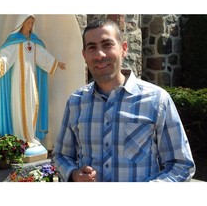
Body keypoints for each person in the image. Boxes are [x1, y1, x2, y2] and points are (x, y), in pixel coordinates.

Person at [52, 18, 195, 182]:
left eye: (107, 45)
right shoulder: (76, 102)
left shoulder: (157, 100)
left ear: (124, 49)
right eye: (92, 47)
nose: (100, 54)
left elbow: (181, 165)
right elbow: (61, 155)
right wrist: (74, 174)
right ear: (84, 55)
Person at [0, 15, 66, 153]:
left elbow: (44, 57)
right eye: (27, 22)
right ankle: (20, 139)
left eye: (31, 22)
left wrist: (57, 63)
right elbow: (6, 56)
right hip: (17, 83)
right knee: (18, 107)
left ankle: (30, 137)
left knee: (32, 105)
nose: (29, 25)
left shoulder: (34, 42)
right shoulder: (14, 41)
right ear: (22, 23)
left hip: (32, 82)